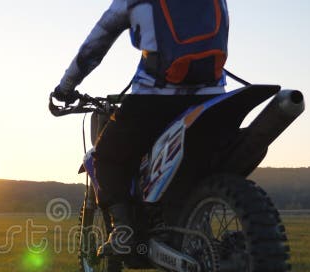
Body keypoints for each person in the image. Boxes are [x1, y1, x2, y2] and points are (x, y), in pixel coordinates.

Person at [52, 0, 229, 256]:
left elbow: (95, 44)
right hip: (213, 98)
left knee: (106, 157)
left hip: (154, 99)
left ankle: (124, 232)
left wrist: (65, 87)